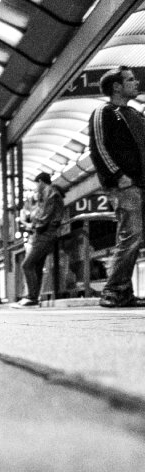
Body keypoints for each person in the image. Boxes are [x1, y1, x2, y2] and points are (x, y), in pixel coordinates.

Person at [88, 65, 145, 307]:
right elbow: (99, 147)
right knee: (131, 234)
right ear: (117, 86)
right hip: (125, 184)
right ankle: (113, 290)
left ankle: (123, 293)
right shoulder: (105, 111)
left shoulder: (134, 113)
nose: (136, 83)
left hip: (141, 183)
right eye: (130, 80)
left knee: (134, 236)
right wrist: (118, 175)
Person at [11, 172, 65, 309]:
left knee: (26, 265)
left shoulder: (49, 192)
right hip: (45, 234)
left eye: (36, 184)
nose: (35, 187)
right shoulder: (50, 192)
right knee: (36, 267)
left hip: (44, 234)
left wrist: (34, 224)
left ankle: (32, 297)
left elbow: (44, 215)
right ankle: (34, 298)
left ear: (40, 181)